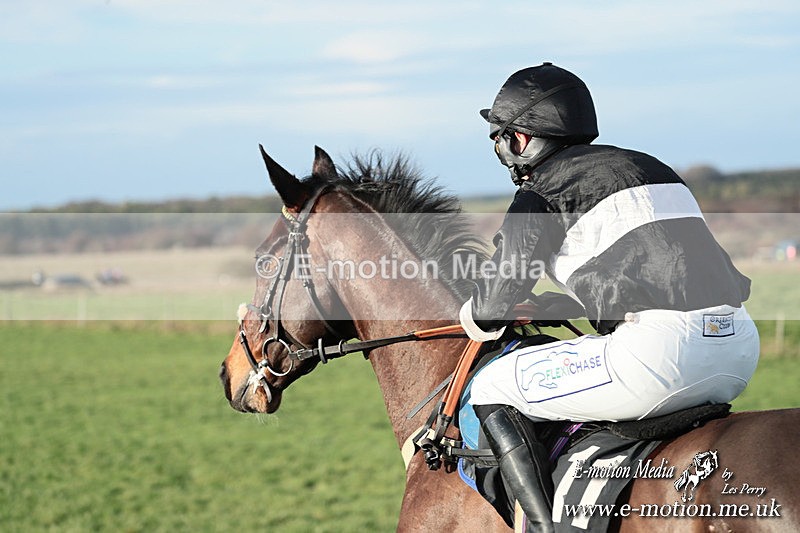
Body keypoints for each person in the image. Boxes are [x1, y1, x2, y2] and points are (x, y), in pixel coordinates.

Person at [459, 62, 760, 531]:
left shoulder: (540, 192)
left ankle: (539, 526)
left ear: (519, 139)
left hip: (662, 357)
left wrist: (475, 317)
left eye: (500, 140)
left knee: (492, 387)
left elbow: (496, 298)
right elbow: (658, 266)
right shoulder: (651, 166)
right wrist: (566, 304)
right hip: (739, 348)